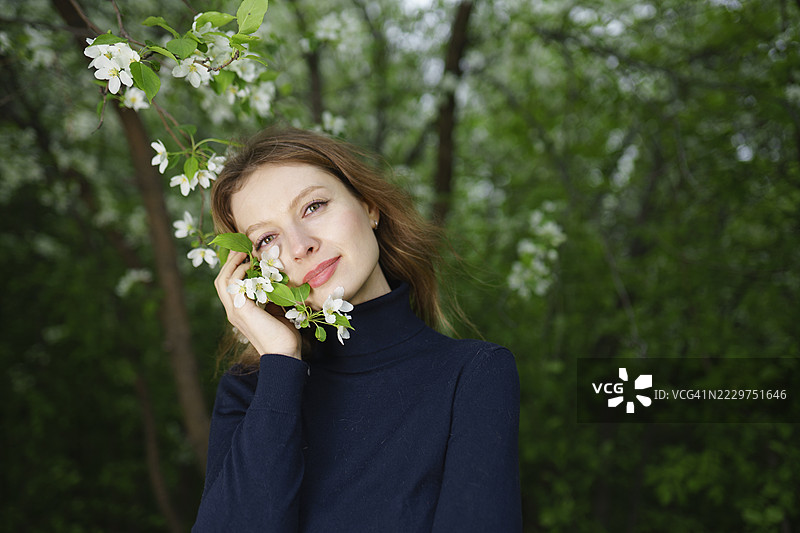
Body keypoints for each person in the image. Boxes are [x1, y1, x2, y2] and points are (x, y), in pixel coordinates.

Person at [193, 127, 522, 532]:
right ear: (253, 270)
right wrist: (280, 362)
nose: (300, 245)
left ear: (369, 207)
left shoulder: (473, 374)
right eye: (266, 239)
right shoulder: (251, 390)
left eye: (313, 206)